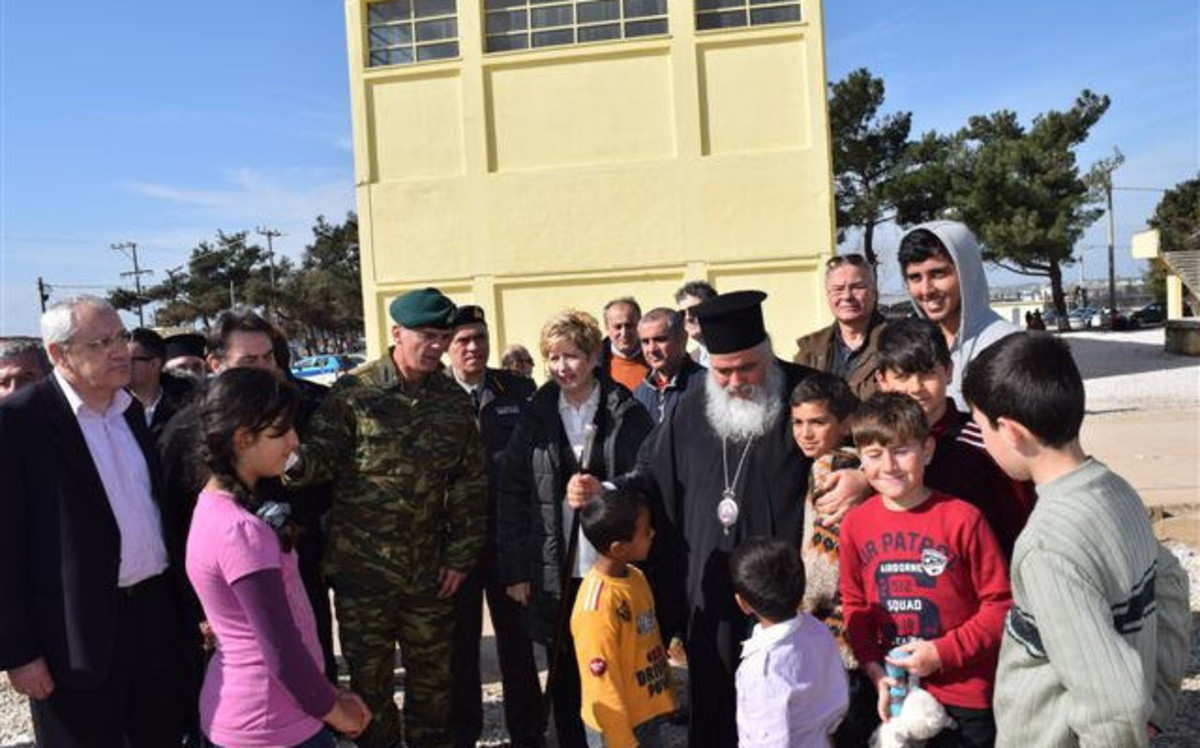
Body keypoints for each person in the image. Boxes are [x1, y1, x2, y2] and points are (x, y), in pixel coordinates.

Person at [569, 290, 868, 747]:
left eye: (747, 367)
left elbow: (872, 439)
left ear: (767, 353)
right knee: (715, 694)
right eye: (724, 370)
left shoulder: (807, 394)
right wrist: (607, 490)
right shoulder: (693, 405)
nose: (735, 381)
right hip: (711, 583)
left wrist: (863, 475)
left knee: (791, 702)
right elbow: (653, 471)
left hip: (785, 589)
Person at [963, 333, 1191, 747]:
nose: (983, 442)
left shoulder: (1046, 546)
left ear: (1012, 432)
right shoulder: (1115, 489)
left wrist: (1134, 718)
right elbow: (1171, 588)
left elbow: (1113, 704)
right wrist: (1155, 704)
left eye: (982, 428)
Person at [292, 287, 487, 748]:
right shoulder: (354, 395)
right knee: (369, 689)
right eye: (427, 335)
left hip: (429, 574)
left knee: (432, 688)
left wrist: (460, 557)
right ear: (397, 333)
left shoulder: (453, 400)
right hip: (364, 576)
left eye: (444, 335)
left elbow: (470, 485)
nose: (438, 345)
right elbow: (318, 460)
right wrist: (286, 460)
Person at [0, 296, 186, 747]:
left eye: (120, 337)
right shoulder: (17, 423)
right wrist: (19, 654)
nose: (120, 351)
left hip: (154, 619)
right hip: (73, 638)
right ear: (58, 353)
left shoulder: (130, 414)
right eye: (101, 342)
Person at [187, 368, 371, 747]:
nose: (294, 441)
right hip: (271, 725)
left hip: (263, 713)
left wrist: (328, 694)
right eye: (280, 432)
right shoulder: (241, 531)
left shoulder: (212, 505)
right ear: (242, 439)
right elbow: (280, 650)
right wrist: (336, 712)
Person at [497, 309, 655, 748]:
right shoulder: (535, 413)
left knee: (615, 669)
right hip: (555, 568)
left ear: (591, 357)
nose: (562, 367)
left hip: (609, 565)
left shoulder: (624, 408)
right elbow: (511, 492)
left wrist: (605, 488)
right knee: (564, 674)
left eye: (571, 356)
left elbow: (650, 472)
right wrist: (515, 571)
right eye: (553, 357)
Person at [840, 393, 1012, 747]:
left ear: (928, 450)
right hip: (892, 693)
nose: (889, 465)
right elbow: (855, 607)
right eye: (874, 454)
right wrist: (872, 668)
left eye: (902, 450)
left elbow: (1000, 605)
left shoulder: (964, 519)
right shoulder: (855, 524)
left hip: (963, 696)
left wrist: (943, 653)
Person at [444, 305, 543, 748]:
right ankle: (464, 733)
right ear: (447, 346)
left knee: (518, 645)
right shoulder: (430, 395)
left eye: (479, 338)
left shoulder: (518, 389)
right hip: (456, 547)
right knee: (460, 648)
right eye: (463, 340)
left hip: (507, 541)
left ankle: (528, 732)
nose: (473, 347)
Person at [874, 318, 1035, 559]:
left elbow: (1022, 522)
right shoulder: (872, 450)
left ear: (948, 371)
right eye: (903, 376)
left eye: (928, 373)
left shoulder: (986, 441)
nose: (916, 386)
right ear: (882, 380)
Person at [571, 488, 675, 748]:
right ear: (618, 548)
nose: (652, 534)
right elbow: (601, 685)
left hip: (644, 712)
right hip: (618, 728)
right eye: (644, 531)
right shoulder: (597, 607)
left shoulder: (636, 578)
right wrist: (622, 741)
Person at [731, 537, 848, 748]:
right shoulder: (817, 629)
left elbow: (766, 741)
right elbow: (836, 700)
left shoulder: (761, 669)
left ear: (743, 603)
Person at [898, 221, 1017, 410]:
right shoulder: (908, 346)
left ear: (966, 273)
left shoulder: (1009, 347)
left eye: (938, 274)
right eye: (915, 277)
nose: (926, 290)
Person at [794, 254, 888, 399]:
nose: (847, 296)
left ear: (874, 293)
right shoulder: (809, 350)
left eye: (857, 287)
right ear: (828, 296)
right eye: (838, 289)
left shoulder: (895, 342)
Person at [632, 307, 705, 424]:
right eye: (645, 342)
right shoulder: (640, 393)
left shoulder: (707, 385)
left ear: (682, 339)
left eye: (660, 339)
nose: (651, 349)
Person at [128, 327, 196, 436]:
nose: (121, 366)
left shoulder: (188, 406)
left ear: (154, 364)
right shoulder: (110, 407)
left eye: (129, 360)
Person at [600, 297, 650, 392]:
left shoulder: (659, 357)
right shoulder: (593, 364)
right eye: (618, 327)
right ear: (607, 328)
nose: (624, 333)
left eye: (629, 326)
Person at [674, 280, 717, 368]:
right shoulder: (691, 359)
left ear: (712, 310)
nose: (688, 318)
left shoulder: (740, 350)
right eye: (682, 313)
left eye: (693, 311)